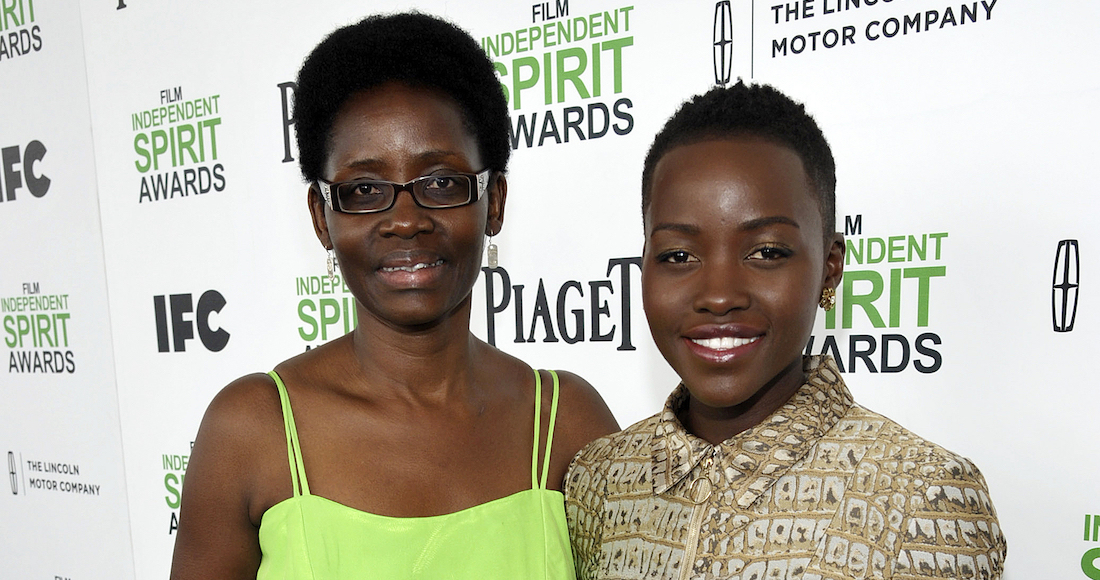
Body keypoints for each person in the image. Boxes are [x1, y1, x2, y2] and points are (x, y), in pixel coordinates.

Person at [169, 12, 618, 579]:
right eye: (364, 189)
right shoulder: (250, 431)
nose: (406, 220)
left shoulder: (567, 422)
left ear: (495, 202)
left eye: (441, 182)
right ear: (322, 218)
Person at [564, 82, 1007, 579]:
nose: (719, 295)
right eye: (678, 255)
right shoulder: (598, 481)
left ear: (830, 268)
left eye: (767, 252)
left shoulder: (924, 501)